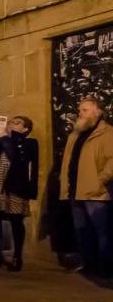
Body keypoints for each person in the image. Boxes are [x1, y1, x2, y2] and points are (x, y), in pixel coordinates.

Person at [59, 96, 113, 277]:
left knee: (102, 233)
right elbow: (68, 162)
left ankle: (105, 269)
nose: (79, 113)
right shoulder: (75, 134)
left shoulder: (108, 133)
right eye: (80, 109)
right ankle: (88, 265)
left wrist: (100, 180)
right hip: (76, 190)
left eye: (84, 110)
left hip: (96, 192)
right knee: (82, 232)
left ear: (97, 111)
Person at [0, 115, 38, 271]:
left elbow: (16, 157)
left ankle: (17, 256)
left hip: (14, 186)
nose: (11, 124)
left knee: (16, 221)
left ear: (26, 129)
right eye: (10, 122)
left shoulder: (29, 143)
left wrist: (4, 136)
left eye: (17, 123)